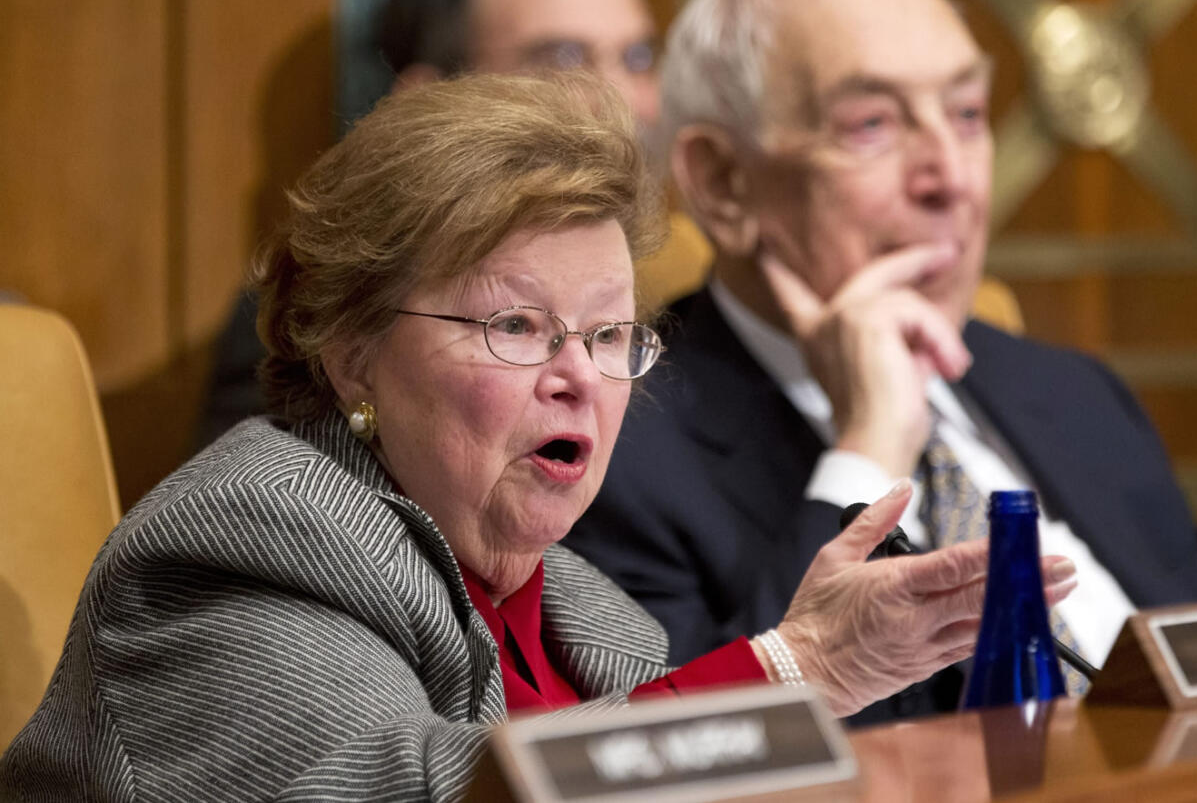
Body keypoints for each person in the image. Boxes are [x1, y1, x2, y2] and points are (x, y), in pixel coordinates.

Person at [0, 76, 1075, 800]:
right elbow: (413, 787)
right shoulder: (246, 539)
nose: (578, 376)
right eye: (515, 325)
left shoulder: (583, 615)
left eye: (610, 334)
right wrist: (793, 667)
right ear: (351, 348)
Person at [562, 0, 1197, 724]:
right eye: (873, 124)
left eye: (968, 113)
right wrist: (868, 448)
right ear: (723, 183)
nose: (951, 177)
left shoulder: (1074, 393)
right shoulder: (609, 448)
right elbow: (717, 755)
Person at [195, 0, 709, 447]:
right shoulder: (329, 300)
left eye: (638, 57)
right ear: (426, 100)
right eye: (563, 59)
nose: (620, 99)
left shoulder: (686, 279)